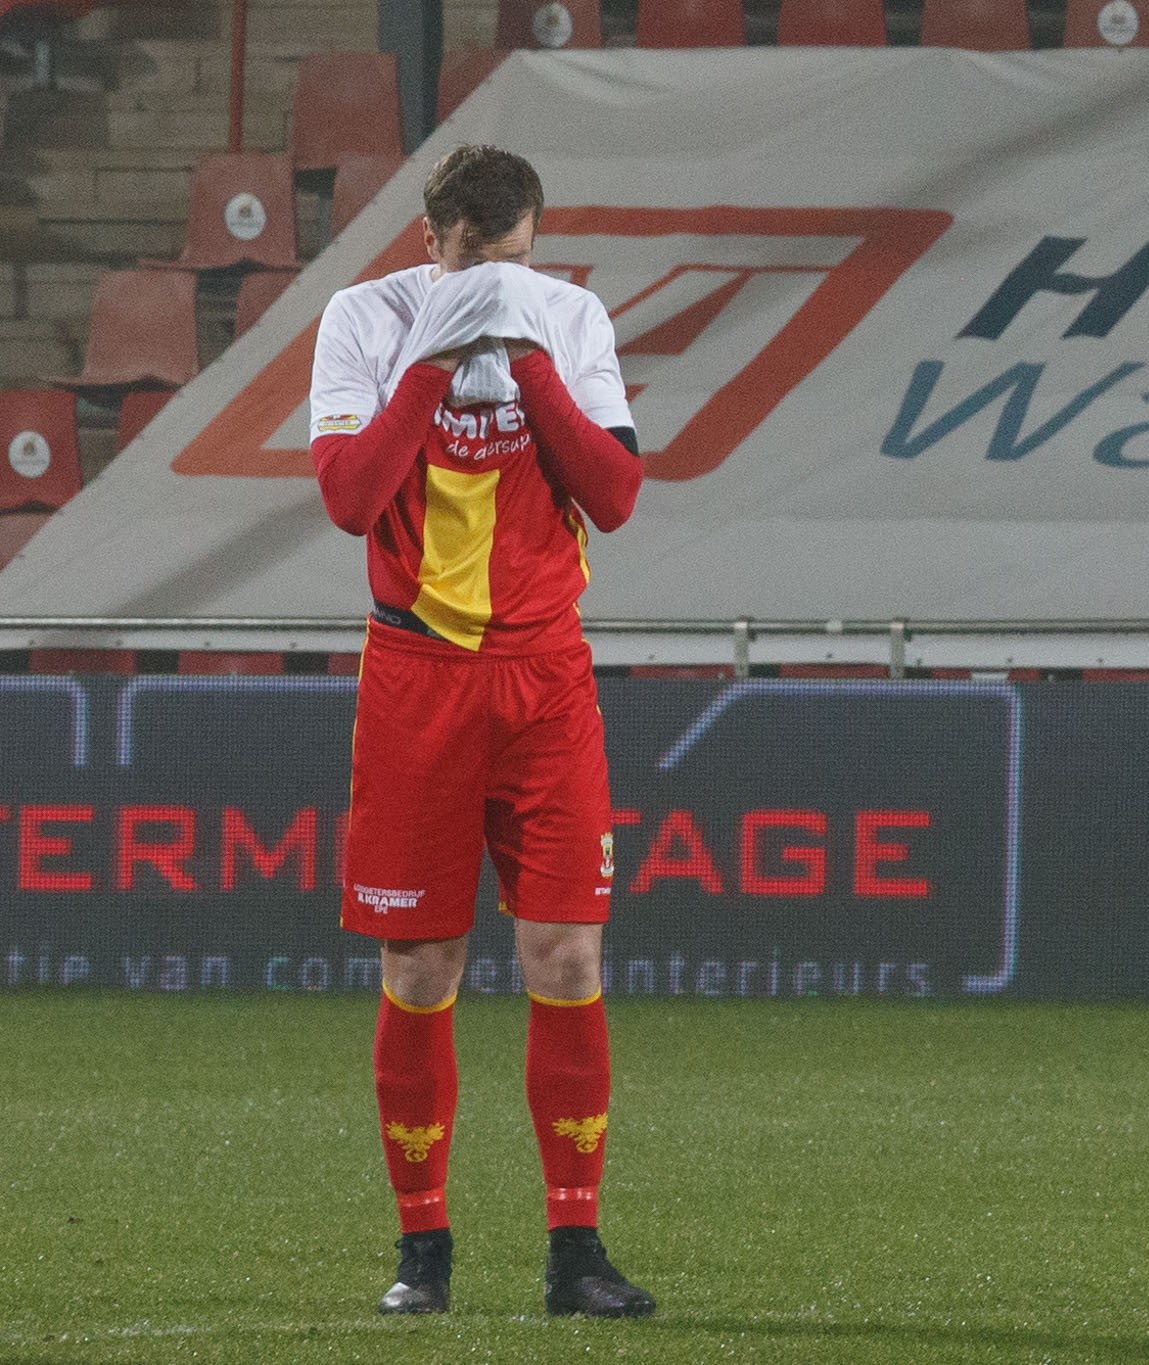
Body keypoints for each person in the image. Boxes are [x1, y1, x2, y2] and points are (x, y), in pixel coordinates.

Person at [308, 144, 654, 1318]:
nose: (500, 281)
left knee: (567, 959)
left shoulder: (570, 320)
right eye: (477, 263)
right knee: (421, 966)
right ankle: (424, 1253)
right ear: (431, 242)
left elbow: (614, 496)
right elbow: (351, 498)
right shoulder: (364, 321)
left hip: (544, 676)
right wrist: (433, 357)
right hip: (417, 675)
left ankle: (575, 1253)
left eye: (516, 261)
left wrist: (530, 361)